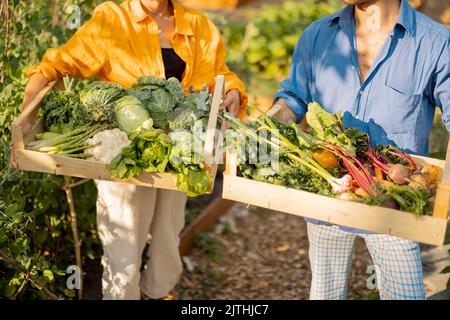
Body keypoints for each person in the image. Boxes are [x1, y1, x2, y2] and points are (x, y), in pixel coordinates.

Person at [12, 0, 247, 299]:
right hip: (125, 153)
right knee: (124, 248)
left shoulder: (197, 24)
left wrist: (232, 92)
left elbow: (221, 74)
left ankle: (158, 292)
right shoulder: (113, 20)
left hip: (179, 152)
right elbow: (54, 66)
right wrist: (24, 125)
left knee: (167, 237)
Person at [272, 0, 449, 299]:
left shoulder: (434, 42)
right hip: (330, 191)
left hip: (397, 197)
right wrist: (260, 128)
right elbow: (292, 99)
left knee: (404, 294)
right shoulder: (317, 35)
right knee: (326, 293)